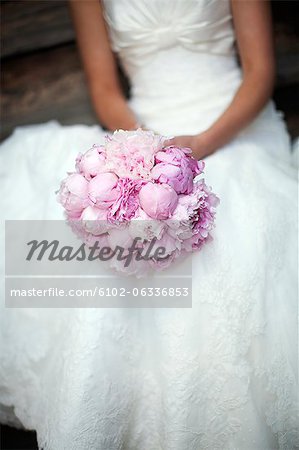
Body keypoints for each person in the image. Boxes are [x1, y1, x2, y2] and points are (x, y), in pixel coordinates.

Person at [0, 0, 298, 449]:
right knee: (106, 247)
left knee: (236, 233)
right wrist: (144, 156)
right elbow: (104, 88)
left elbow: (259, 73)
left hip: (232, 130)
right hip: (143, 132)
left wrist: (199, 144)